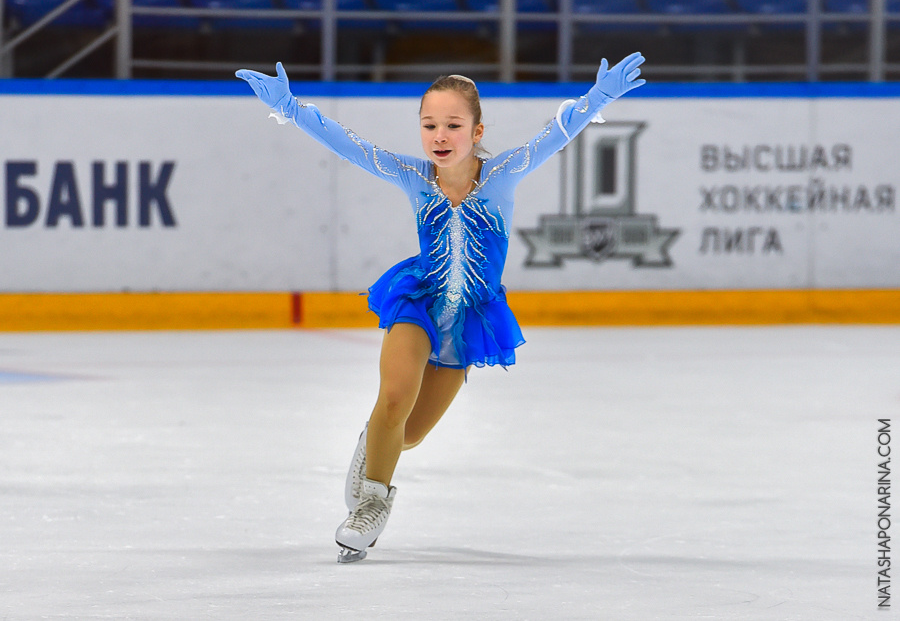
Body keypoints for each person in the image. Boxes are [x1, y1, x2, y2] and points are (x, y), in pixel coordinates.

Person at [235, 53, 646, 562]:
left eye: (453, 124)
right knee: (394, 397)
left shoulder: (503, 174)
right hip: (419, 302)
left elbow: (555, 134)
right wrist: (292, 108)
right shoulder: (413, 176)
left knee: (407, 434)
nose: (440, 134)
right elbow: (349, 145)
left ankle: (373, 449)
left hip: (469, 320)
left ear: (476, 132)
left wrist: (597, 100)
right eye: (430, 124)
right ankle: (370, 507)